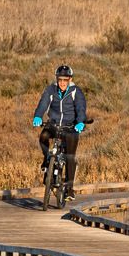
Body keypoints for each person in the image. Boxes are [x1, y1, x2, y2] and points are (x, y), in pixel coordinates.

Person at [32, 64, 88, 200]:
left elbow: (81, 107)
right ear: (57, 79)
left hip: (70, 127)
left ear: (70, 80)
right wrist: (38, 115)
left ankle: (69, 188)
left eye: (65, 80)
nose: (62, 83)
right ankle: (47, 159)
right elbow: (43, 103)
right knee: (44, 135)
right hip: (54, 124)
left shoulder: (76, 91)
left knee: (70, 156)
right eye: (60, 80)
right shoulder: (51, 89)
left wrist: (80, 121)